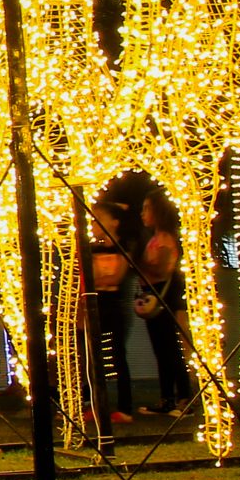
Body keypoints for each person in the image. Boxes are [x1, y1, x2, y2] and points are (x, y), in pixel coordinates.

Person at [85, 178, 141, 427]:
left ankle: (124, 407)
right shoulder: (90, 250)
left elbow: (115, 277)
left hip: (115, 307)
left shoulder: (124, 248)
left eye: (98, 220)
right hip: (95, 306)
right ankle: (94, 405)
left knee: (118, 355)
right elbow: (91, 279)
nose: (93, 226)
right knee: (92, 358)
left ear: (114, 223)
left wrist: (101, 276)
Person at [135, 191, 196, 417]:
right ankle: (167, 398)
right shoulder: (154, 238)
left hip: (163, 297)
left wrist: (138, 263)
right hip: (152, 295)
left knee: (170, 349)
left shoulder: (165, 240)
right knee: (161, 350)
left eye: (146, 208)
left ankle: (184, 398)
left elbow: (161, 270)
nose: (142, 214)